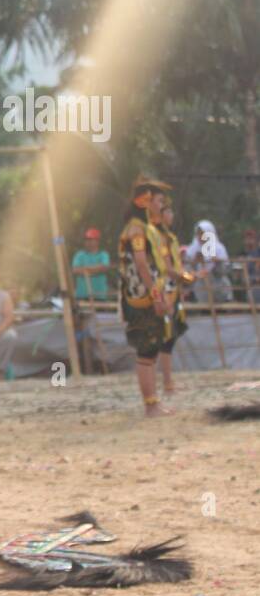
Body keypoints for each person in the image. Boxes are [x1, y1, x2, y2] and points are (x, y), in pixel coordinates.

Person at [118, 176, 179, 417]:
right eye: (158, 201)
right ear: (145, 202)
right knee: (146, 351)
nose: (161, 206)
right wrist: (157, 297)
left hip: (145, 294)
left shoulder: (144, 229)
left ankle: (153, 402)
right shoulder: (137, 230)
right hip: (141, 297)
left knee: (151, 350)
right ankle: (150, 404)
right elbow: (142, 266)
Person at [158, 197, 191, 395]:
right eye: (167, 212)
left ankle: (168, 382)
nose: (171, 215)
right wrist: (190, 277)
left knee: (172, 334)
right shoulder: (161, 237)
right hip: (166, 289)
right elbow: (168, 268)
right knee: (166, 336)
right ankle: (167, 383)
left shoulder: (169, 236)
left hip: (173, 288)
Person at [185, 219, 232, 305]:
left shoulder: (218, 248)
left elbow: (226, 269)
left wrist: (217, 261)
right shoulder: (192, 249)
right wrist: (194, 263)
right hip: (201, 291)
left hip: (219, 287)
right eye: (198, 233)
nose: (200, 236)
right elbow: (187, 271)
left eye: (203, 233)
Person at [71, 228, 111, 302]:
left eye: (91, 239)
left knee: (101, 313)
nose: (88, 242)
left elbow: (104, 268)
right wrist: (97, 269)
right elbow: (75, 270)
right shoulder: (79, 255)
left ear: (97, 241)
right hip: (81, 295)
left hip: (99, 296)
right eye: (86, 240)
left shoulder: (103, 254)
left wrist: (85, 270)